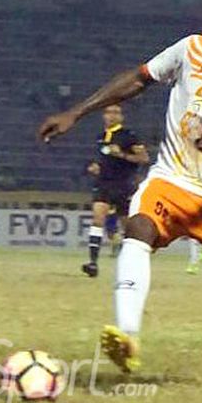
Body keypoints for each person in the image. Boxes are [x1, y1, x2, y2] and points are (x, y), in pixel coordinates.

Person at [38, 0, 202, 387]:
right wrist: (75, 112)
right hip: (172, 181)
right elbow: (139, 78)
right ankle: (127, 336)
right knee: (138, 229)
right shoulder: (193, 49)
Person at [83, 104, 149, 277]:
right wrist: (95, 166)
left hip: (124, 184)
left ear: (121, 117)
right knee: (97, 218)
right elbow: (102, 159)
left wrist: (122, 155)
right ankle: (92, 263)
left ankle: (132, 262)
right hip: (103, 183)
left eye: (115, 112)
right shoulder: (100, 137)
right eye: (107, 112)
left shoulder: (129, 136)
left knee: (128, 227)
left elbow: (143, 158)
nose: (111, 116)